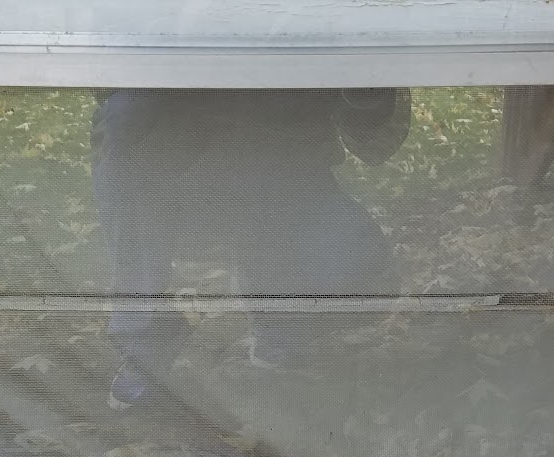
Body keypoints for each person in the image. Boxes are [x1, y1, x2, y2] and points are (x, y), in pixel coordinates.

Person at [91, 88, 411, 407]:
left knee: (359, 273)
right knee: (127, 126)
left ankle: (282, 324)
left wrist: (362, 83)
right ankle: (146, 333)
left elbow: (370, 129)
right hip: (164, 108)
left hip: (276, 114)